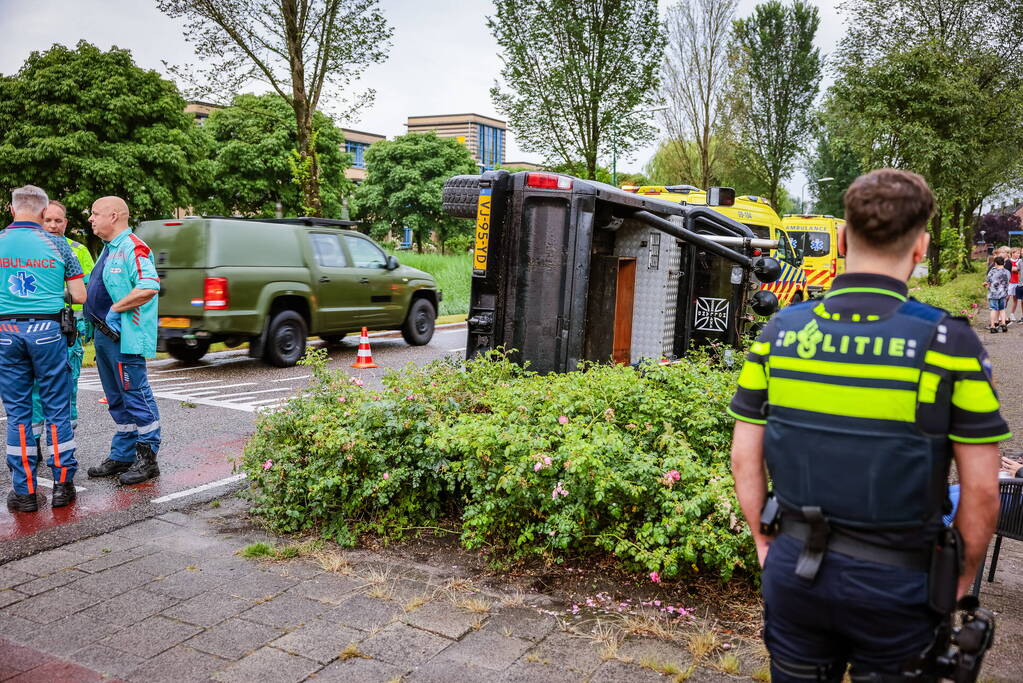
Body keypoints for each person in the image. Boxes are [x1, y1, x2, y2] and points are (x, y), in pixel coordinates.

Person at [729, 168, 1008, 681]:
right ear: (921, 247)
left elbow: (744, 455)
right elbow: (983, 493)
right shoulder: (950, 343)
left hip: (795, 573)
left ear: (841, 238)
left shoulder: (779, 331)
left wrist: (766, 546)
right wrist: (958, 582)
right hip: (900, 588)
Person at [1, 186, 86, 511]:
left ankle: (24, 494)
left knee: (18, 414)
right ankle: (63, 487)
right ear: (42, 212)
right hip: (47, 331)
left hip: (6, 331)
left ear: (12, 210)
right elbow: (79, 296)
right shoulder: (59, 244)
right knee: (56, 409)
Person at [84, 196, 162, 485]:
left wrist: (116, 310)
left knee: (136, 396)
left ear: (113, 216)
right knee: (117, 400)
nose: (91, 218)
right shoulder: (109, 249)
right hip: (104, 337)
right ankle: (123, 454)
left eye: (95, 213)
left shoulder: (133, 247)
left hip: (124, 338)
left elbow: (149, 285)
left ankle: (148, 458)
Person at [30, 201, 95, 453]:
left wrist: (88, 323)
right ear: (40, 222)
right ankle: (33, 443)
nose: (53, 225)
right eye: (48, 220)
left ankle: (62, 447)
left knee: (68, 384)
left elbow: (90, 290)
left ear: (66, 222)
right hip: (38, 329)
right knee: (34, 385)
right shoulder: (30, 250)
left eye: (58, 220)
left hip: (70, 331)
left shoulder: (78, 250)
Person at [985, 255, 1010, 333]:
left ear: (995, 263)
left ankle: (993, 326)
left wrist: (985, 285)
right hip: (1003, 294)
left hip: (993, 294)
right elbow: (1008, 281)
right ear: (1003, 263)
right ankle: (1003, 324)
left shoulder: (992, 271)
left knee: (993, 309)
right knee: (1002, 309)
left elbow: (988, 282)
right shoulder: (1007, 272)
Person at [1007, 248, 1020, 324]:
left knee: (1015, 299)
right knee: (1007, 298)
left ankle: (1012, 314)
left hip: (1017, 282)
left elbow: (1018, 269)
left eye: (1019, 253)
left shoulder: (1020, 261)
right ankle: (1003, 313)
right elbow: (1010, 269)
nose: (1018, 255)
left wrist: (1015, 269)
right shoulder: (1009, 261)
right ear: (1012, 253)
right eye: (1017, 253)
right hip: (1010, 282)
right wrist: (1015, 269)